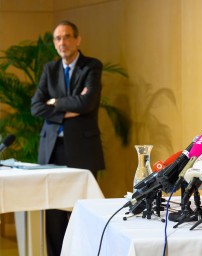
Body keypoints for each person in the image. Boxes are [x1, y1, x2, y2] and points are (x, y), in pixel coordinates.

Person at [31, 20, 105, 256]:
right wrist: (70, 108)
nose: (62, 42)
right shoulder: (49, 70)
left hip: (82, 149)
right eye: (57, 38)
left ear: (77, 39)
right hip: (51, 149)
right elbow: (35, 107)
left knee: (81, 211)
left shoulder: (91, 66)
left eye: (66, 37)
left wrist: (54, 103)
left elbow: (87, 102)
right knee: (52, 214)